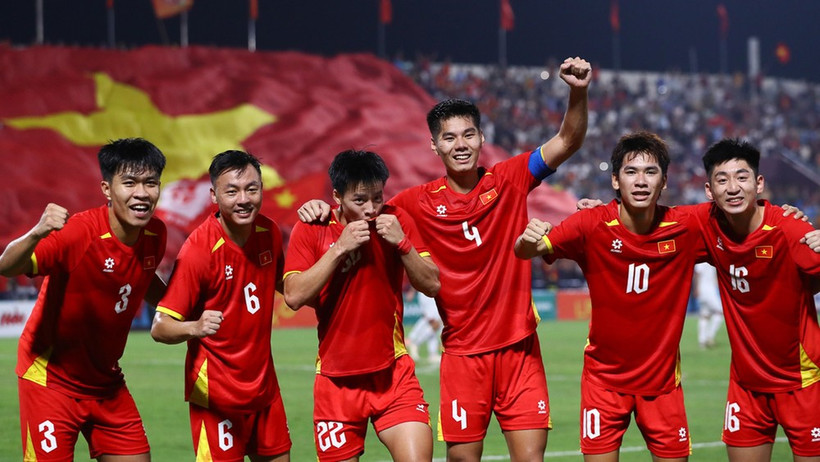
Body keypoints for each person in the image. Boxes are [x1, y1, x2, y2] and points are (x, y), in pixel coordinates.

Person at [298, 56, 591, 461]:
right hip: (462, 354)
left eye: (468, 135)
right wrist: (319, 211)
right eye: (449, 138)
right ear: (434, 145)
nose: (461, 145)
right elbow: (359, 206)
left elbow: (568, 141)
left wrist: (577, 92)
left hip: (519, 348)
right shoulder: (413, 204)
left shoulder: (510, 178)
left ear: (481, 139)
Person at [516, 132, 705, 461]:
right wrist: (529, 239)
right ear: (616, 181)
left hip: (662, 388)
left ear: (664, 181)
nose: (641, 181)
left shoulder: (687, 225)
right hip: (603, 384)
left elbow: (747, 219)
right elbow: (526, 250)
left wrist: (786, 215)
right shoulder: (591, 223)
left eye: (650, 172)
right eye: (631, 172)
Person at [0, 138, 167, 461]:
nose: (142, 193)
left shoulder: (155, 235)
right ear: (107, 189)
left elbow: (144, 278)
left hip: (106, 382)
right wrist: (37, 232)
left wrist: (182, 309)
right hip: (50, 380)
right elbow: (6, 266)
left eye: (151, 183)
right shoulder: (79, 233)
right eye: (129, 183)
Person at [284, 149, 440, 462]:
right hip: (335, 384)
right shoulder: (313, 227)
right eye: (359, 200)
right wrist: (338, 248)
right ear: (337, 196)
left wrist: (403, 244)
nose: (370, 208)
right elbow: (293, 296)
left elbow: (432, 284)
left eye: (377, 197)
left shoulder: (396, 221)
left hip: (392, 375)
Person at [151, 150, 291, 461]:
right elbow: (160, 327)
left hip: (264, 389)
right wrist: (195, 327)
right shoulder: (198, 251)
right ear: (214, 195)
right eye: (232, 191)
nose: (244, 199)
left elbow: (290, 287)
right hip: (217, 395)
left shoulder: (268, 232)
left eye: (252, 189)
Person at [694, 139, 820, 462]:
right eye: (722, 180)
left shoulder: (789, 230)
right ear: (709, 190)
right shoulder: (705, 225)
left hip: (802, 382)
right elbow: (649, 219)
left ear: (759, 184)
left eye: (742, 177)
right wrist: (609, 208)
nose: (733, 188)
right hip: (746, 386)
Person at [406, 289, 443, 364]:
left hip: (429, 292)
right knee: (435, 323)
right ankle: (416, 343)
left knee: (432, 323)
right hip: (428, 292)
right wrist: (412, 291)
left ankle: (433, 354)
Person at [693, 262, 723, 349]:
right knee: (720, 312)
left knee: (704, 315)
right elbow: (697, 274)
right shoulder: (705, 261)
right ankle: (710, 336)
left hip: (704, 290)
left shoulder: (704, 260)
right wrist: (696, 288)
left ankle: (702, 340)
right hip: (708, 291)